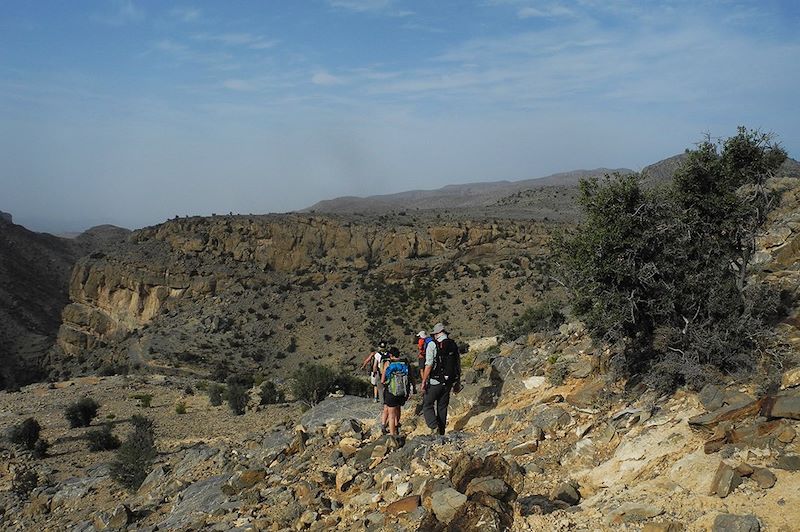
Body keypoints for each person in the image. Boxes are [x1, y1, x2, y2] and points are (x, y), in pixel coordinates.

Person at [421, 323, 461, 435]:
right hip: (449, 382)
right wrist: (457, 381)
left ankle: (434, 426)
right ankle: (441, 432)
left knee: (427, 404)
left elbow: (428, 364)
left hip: (435, 381)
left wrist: (424, 381)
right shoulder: (453, 344)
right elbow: (457, 363)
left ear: (437, 334)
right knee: (442, 407)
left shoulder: (433, 345)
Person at [381, 346, 411, 436]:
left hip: (391, 392)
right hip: (403, 392)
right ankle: (397, 426)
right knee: (398, 409)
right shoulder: (405, 362)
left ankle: (393, 435)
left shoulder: (388, 363)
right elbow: (411, 377)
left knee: (391, 415)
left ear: (390, 355)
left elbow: (382, 380)